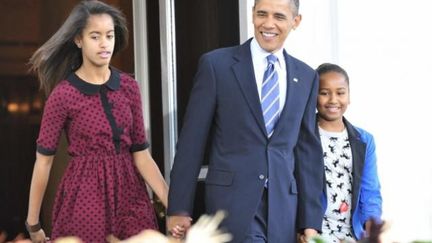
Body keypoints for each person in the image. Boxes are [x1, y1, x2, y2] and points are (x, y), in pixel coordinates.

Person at [167, 0, 324, 242]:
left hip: (284, 209)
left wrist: (310, 221)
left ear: (296, 21)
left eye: (279, 17)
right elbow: (191, 142)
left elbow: (307, 154)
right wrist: (179, 208)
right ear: (252, 15)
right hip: (232, 205)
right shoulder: (216, 65)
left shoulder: (306, 77)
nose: (268, 23)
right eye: (262, 14)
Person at [25, 1, 169, 242]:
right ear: (78, 40)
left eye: (109, 35)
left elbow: (141, 154)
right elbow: (43, 162)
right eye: (95, 36)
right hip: (84, 197)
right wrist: (33, 223)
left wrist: (173, 204)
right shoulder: (63, 95)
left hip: (131, 193)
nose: (105, 44)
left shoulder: (128, 86)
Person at [315, 63, 382, 242]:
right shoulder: (301, 137)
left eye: (340, 92)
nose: (333, 100)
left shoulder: (364, 140)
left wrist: (373, 230)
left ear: (349, 96)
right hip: (315, 234)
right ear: (313, 96)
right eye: (324, 93)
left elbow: (370, 191)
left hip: (352, 234)